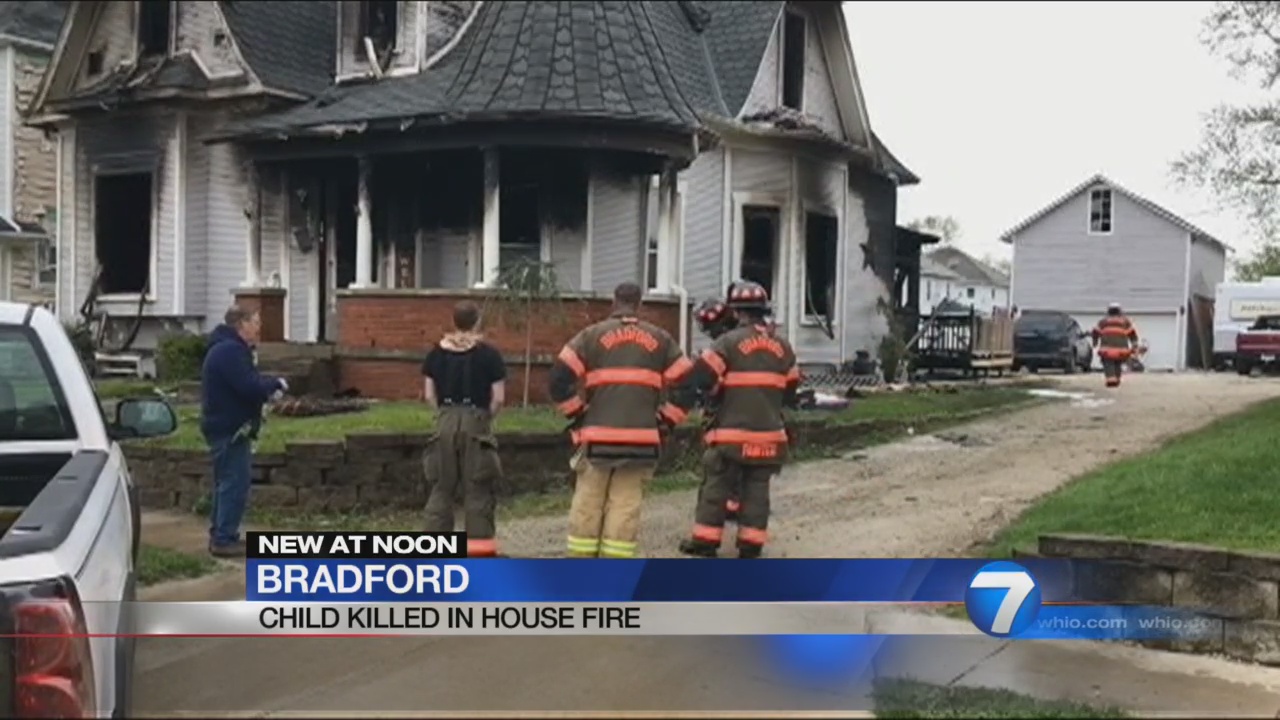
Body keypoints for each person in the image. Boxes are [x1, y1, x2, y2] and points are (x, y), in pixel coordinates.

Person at [548, 282, 692, 559]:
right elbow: (687, 385)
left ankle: (580, 567)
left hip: (596, 440)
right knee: (625, 505)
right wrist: (666, 421)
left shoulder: (590, 336)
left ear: (614, 302)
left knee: (588, 502)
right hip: (640, 441)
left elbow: (558, 380)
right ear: (639, 304)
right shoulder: (661, 339)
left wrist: (577, 415)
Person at [674, 280, 800, 559]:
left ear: (738, 312)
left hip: (730, 436)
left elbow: (702, 380)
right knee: (757, 490)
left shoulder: (726, 343)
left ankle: (706, 543)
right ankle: (751, 546)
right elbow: (791, 390)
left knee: (715, 487)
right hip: (769, 436)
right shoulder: (783, 347)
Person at [421, 300, 508, 557]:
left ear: (454, 320)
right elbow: (499, 397)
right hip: (476, 420)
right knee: (478, 488)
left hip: (445, 420)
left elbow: (428, 394)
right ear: (477, 321)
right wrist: (485, 418)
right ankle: (478, 556)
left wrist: (443, 414)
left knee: (441, 487)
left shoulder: (435, 354)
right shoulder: (489, 355)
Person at [201, 306, 287, 558]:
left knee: (225, 481)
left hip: (223, 425)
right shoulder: (229, 351)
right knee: (234, 483)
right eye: (255, 322)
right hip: (230, 428)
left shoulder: (228, 349)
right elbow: (248, 385)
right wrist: (275, 384)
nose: (259, 327)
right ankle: (224, 539)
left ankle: (221, 533)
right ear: (242, 324)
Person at [1091, 303, 1139, 388]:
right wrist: (1134, 344)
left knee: (1108, 364)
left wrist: (1095, 342)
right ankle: (1116, 379)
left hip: (1107, 349)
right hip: (1121, 349)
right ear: (1120, 311)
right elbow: (1132, 334)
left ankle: (1111, 381)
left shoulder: (1103, 322)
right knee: (1118, 363)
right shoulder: (1125, 321)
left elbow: (1095, 332)